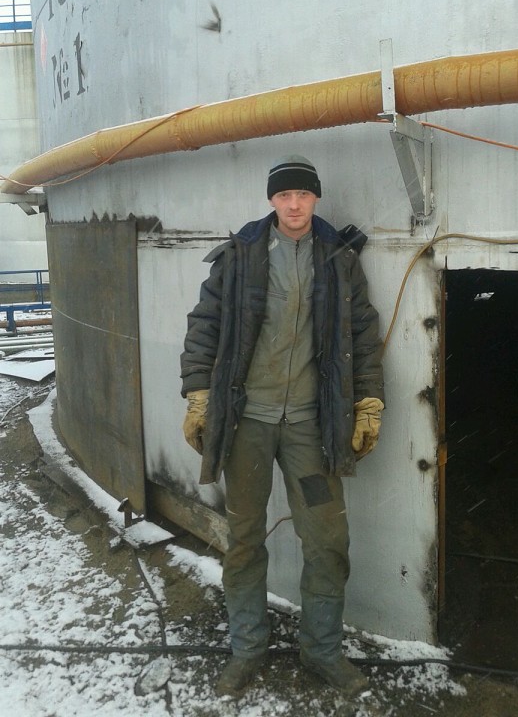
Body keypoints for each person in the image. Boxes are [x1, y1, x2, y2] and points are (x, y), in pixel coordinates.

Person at [180, 154, 384, 698]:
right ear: (271, 199)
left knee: (327, 542)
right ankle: (247, 649)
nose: (294, 205)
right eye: (284, 195)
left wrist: (368, 402)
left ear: (316, 197)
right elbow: (204, 326)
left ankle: (323, 651)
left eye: (303, 194)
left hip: (311, 429)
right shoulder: (241, 254)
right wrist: (199, 396)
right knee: (244, 538)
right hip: (248, 422)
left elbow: (362, 335)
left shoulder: (338, 258)